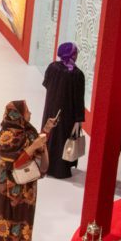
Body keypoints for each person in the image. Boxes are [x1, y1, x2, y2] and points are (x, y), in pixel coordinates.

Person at [0, 101, 56, 241]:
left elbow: (36, 146)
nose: (30, 114)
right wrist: (33, 147)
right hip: (9, 186)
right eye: (27, 111)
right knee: (5, 216)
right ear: (18, 115)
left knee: (22, 218)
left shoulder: (27, 132)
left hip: (25, 187)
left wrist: (46, 130)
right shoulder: (6, 135)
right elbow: (14, 162)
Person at [41, 42, 86, 179]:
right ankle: (60, 169)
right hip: (67, 113)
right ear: (72, 54)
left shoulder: (52, 67)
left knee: (49, 135)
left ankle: (45, 165)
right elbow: (78, 98)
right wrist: (79, 118)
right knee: (63, 139)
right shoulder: (77, 74)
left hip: (51, 108)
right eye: (76, 53)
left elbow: (46, 84)